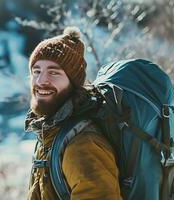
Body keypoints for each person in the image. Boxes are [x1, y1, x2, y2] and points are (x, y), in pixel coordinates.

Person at [24, 26, 122, 200]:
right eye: (36, 71)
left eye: (53, 72)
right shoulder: (51, 132)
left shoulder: (82, 145)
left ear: (73, 82)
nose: (40, 81)